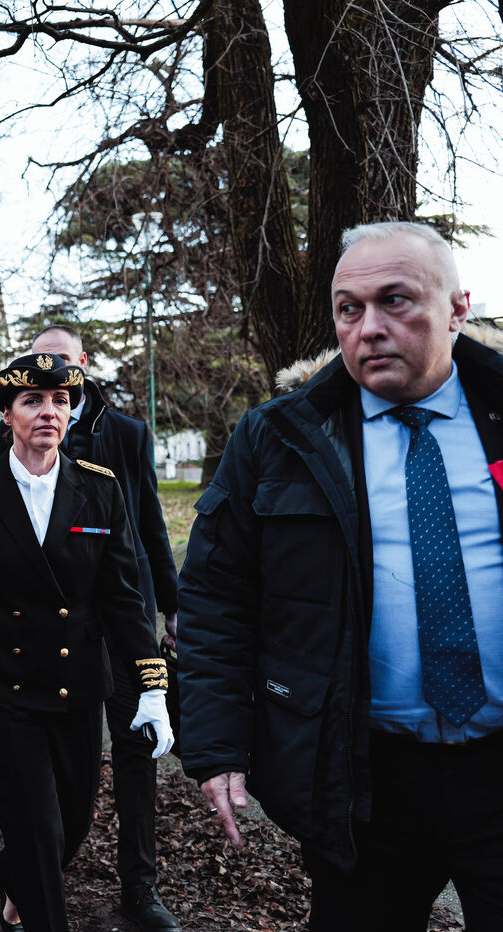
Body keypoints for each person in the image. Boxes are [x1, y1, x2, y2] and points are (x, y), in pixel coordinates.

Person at [179, 222, 503, 931]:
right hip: (361, 779)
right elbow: (215, 599)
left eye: (396, 301)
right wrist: (218, 746)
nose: (370, 328)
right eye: (350, 309)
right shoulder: (278, 439)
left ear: (457, 308)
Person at [0, 353, 173, 932]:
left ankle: (15, 873)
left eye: (60, 401)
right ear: (8, 416)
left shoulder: (98, 488)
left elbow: (123, 598)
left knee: (73, 821)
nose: (49, 412)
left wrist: (152, 685)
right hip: (1, 683)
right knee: (38, 827)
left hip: (77, 682)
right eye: (33, 401)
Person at [27, 325, 182, 930]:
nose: (53, 374)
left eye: (63, 362)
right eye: (41, 363)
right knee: (62, 756)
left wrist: (172, 604)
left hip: (125, 616)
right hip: (56, 624)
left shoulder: (125, 433)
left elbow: (150, 523)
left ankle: (139, 885)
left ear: (84, 364)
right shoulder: (15, 430)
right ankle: (41, 867)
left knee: (137, 745)